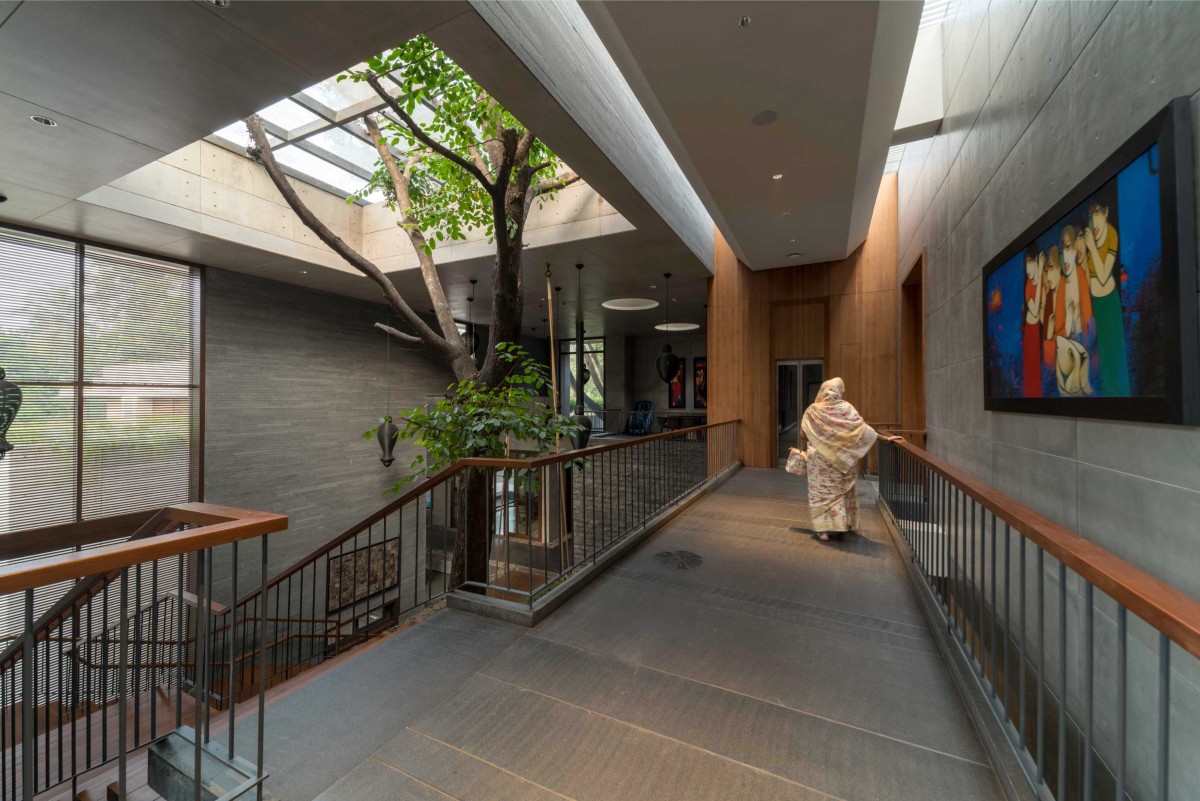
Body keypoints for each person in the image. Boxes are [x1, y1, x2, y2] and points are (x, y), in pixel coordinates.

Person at [795, 378, 877, 542]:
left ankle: (823, 530)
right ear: (839, 392)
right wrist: (887, 439)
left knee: (821, 494)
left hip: (819, 462)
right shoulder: (847, 409)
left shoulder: (813, 410)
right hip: (842, 461)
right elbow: (862, 431)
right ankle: (844, 525)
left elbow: (803, 434)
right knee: (842, 493)